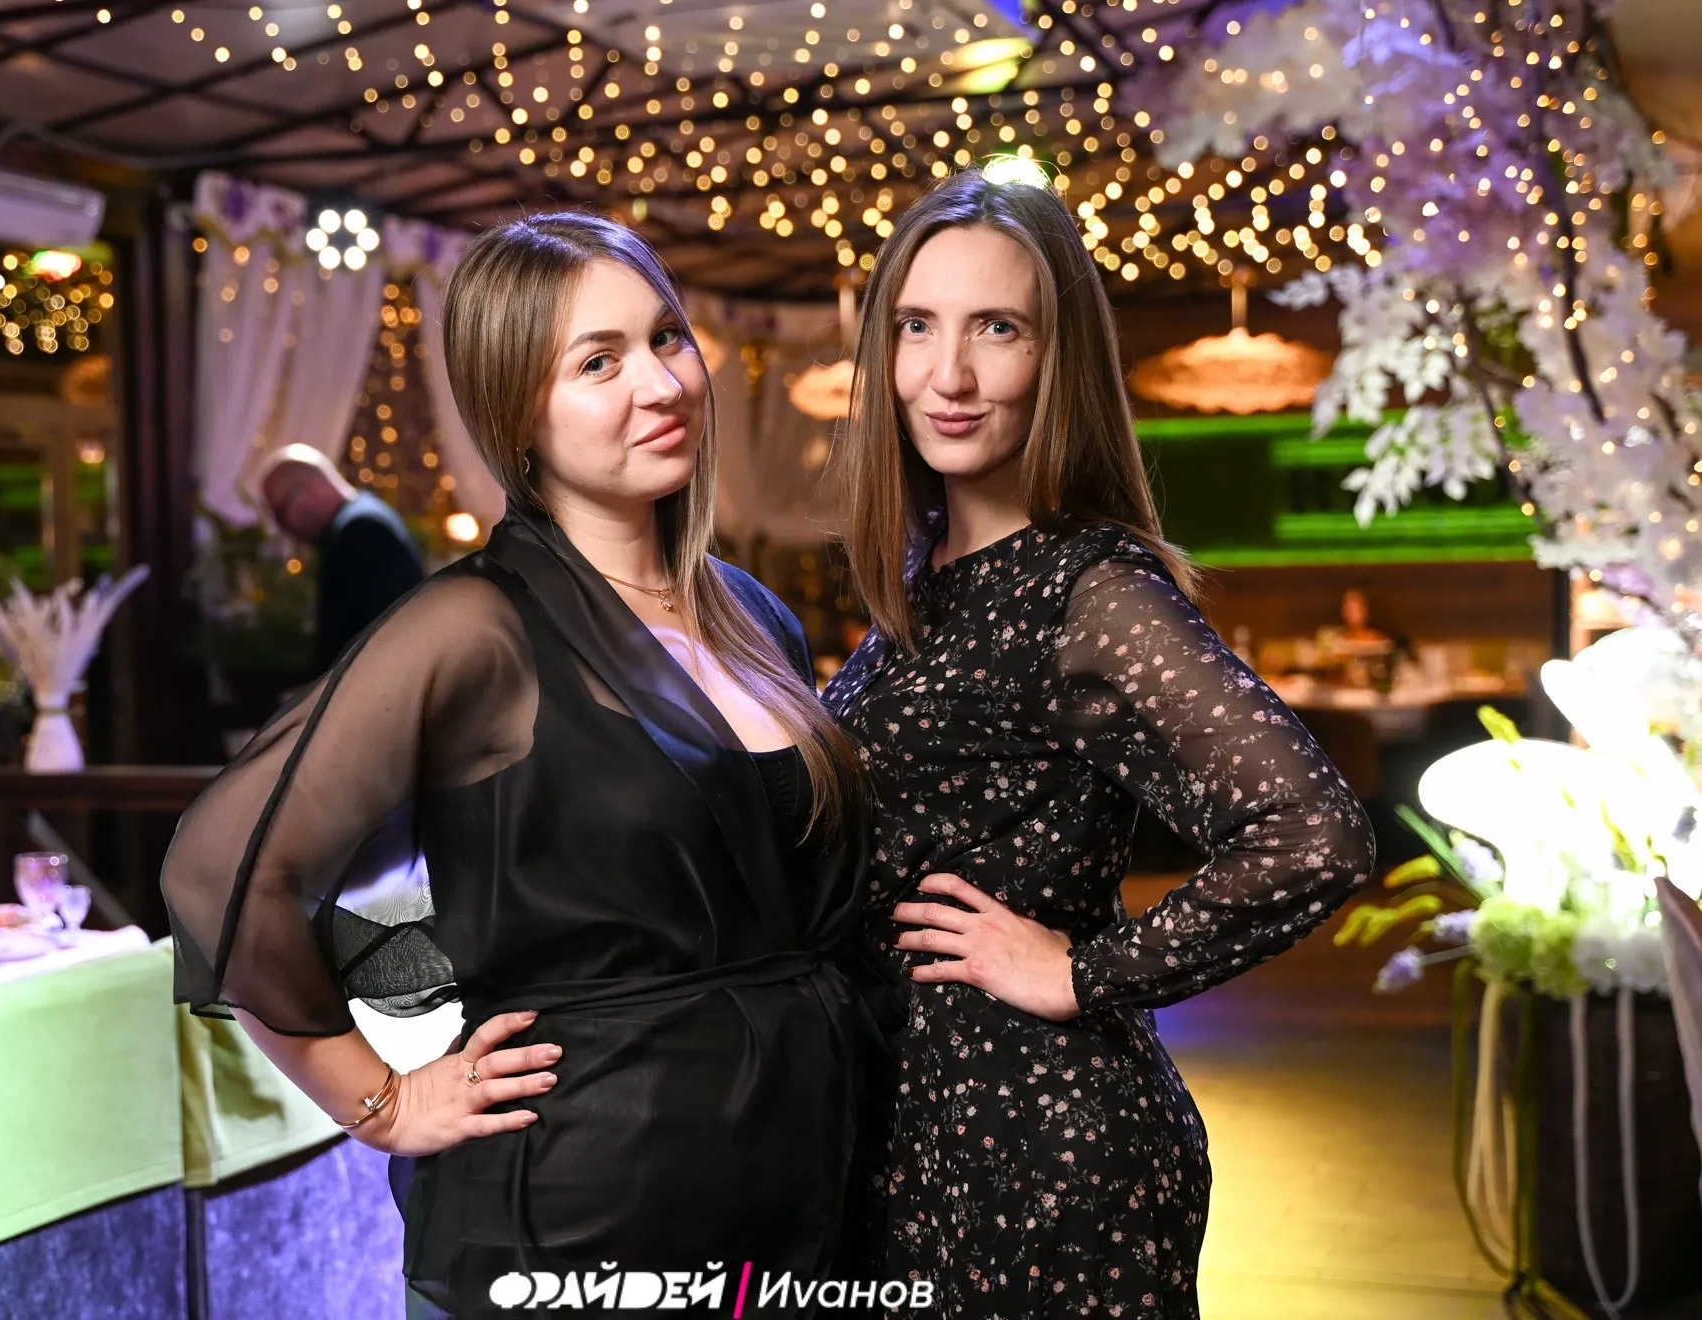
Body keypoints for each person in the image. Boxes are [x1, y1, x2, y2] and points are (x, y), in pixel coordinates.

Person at [163, 213, 885, 1319]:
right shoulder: (476, 628)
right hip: (584, 1215)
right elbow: (220, 871)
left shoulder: (751, 613)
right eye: (598, 362)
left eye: (667, 338)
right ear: (517, 413)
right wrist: (381, 1102)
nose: (661, 384)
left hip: (800, 1197)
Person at [821, 164, 1376, 1318]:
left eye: (998, 328)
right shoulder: (929, 579)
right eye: (917, 326)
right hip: (929, 1137)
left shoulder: (1091, 588)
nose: (948, 374)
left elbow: (1316, 833)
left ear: (1056, 357)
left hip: (1044, 1152)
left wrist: (1082, 973)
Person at [258, 443, 424, 673]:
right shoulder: (360, 522)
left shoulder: (361, 531)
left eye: (281, 511)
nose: (282, 525)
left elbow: (379, 638)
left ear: (310, 488)